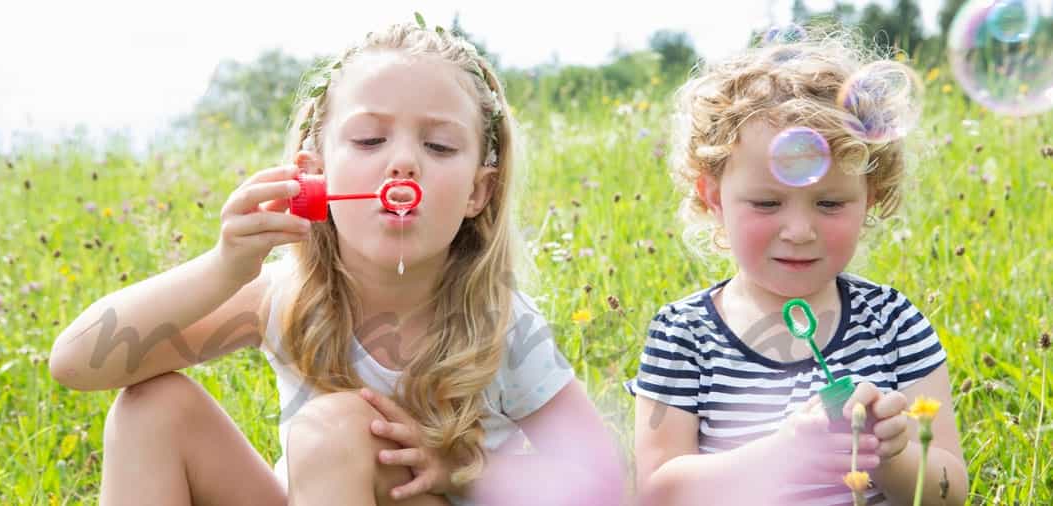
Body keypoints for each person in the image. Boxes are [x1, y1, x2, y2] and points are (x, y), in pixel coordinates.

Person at [50, 18, 621, 506]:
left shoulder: (500, 326)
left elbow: (604, 483)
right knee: (152, 409)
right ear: (313, 176)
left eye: (439, 147)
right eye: (370, 140)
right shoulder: (284, 295)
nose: (402, 163)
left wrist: (466, 469)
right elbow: (76, 364)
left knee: (337, 426)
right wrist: (226, 266)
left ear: (479, 192)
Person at [628, 30, 967, 505]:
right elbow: (657, 491)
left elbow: (949, 494)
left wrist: (890, 454)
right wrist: (780, 454)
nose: (799, 230)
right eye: (767, 203)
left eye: (829, 203)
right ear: (714, 199)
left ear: (869, 199)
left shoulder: (893, 324)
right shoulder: (684, 334)